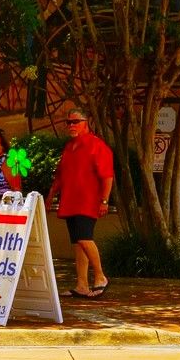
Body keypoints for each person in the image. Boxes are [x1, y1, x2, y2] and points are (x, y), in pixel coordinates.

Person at [54, 111, 114, 298]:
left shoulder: (96, 145)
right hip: (70, 201)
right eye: (68, 122)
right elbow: (61, 175)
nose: (71, 125)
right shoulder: (69, 147)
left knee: (84, 238)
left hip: (87, 202)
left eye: (75, 122)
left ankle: (100, 276)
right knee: (77, 243)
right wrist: (51, 196)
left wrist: (104, 200)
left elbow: (107, 176)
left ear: (86, 123)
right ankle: (81, 284)